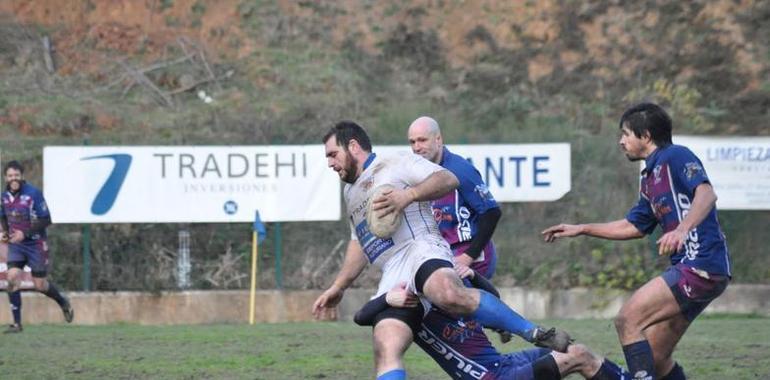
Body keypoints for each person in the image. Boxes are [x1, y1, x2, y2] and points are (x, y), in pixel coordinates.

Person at [313, 121, 570, 380]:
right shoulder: (350, 192)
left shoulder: (397, 162)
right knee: (386, 343)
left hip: (421, 249)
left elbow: (447, 178)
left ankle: (535, 333)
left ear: (353, 147)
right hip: (394, 272)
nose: (330, 163)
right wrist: (338, 287)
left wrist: (408, 195)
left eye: (333, 154)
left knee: (448, 294)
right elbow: (360, 242)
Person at [541, 103, 731, 380]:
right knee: (655, 357)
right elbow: (633, 226)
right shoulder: (649, 178)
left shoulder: (675, 157)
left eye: (626, 134)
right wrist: (581, 228)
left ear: (646, 136)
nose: (621, 141)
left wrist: (682, 229)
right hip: (700, 270)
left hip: (700, 264)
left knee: (628, 319)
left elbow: (706, 194)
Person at [354, 268, 630, 380]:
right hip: (490, 378)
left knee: (575, 349)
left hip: (503, 365)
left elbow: (493, 299)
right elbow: (362, 316)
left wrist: (472, 274)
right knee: (578, 356)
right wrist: (387, 298)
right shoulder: (416, 302)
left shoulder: (457, 296)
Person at [408, 116, 501, 278]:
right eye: (412, 142)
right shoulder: (418, 171)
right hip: (445, 253)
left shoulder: (460, 169)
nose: (417, 147)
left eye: (422, 140)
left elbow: (492, 213)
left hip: (474, 256)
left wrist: (468, 257)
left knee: (450, 297)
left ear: (438, 140)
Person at [1, 160, 74, 333]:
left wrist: (24, 234)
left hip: (36, 244)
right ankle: (17, 324)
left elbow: (46, 219)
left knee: (40, 285)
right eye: (10, 176)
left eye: (16, 175)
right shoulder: (4, 196)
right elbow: (2, 215)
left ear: (22, 176)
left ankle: (63, 302)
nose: (14, 179)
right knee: (11, 278)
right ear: (5, 177)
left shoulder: (34, 194)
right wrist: (5, 231)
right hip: (17, 245)